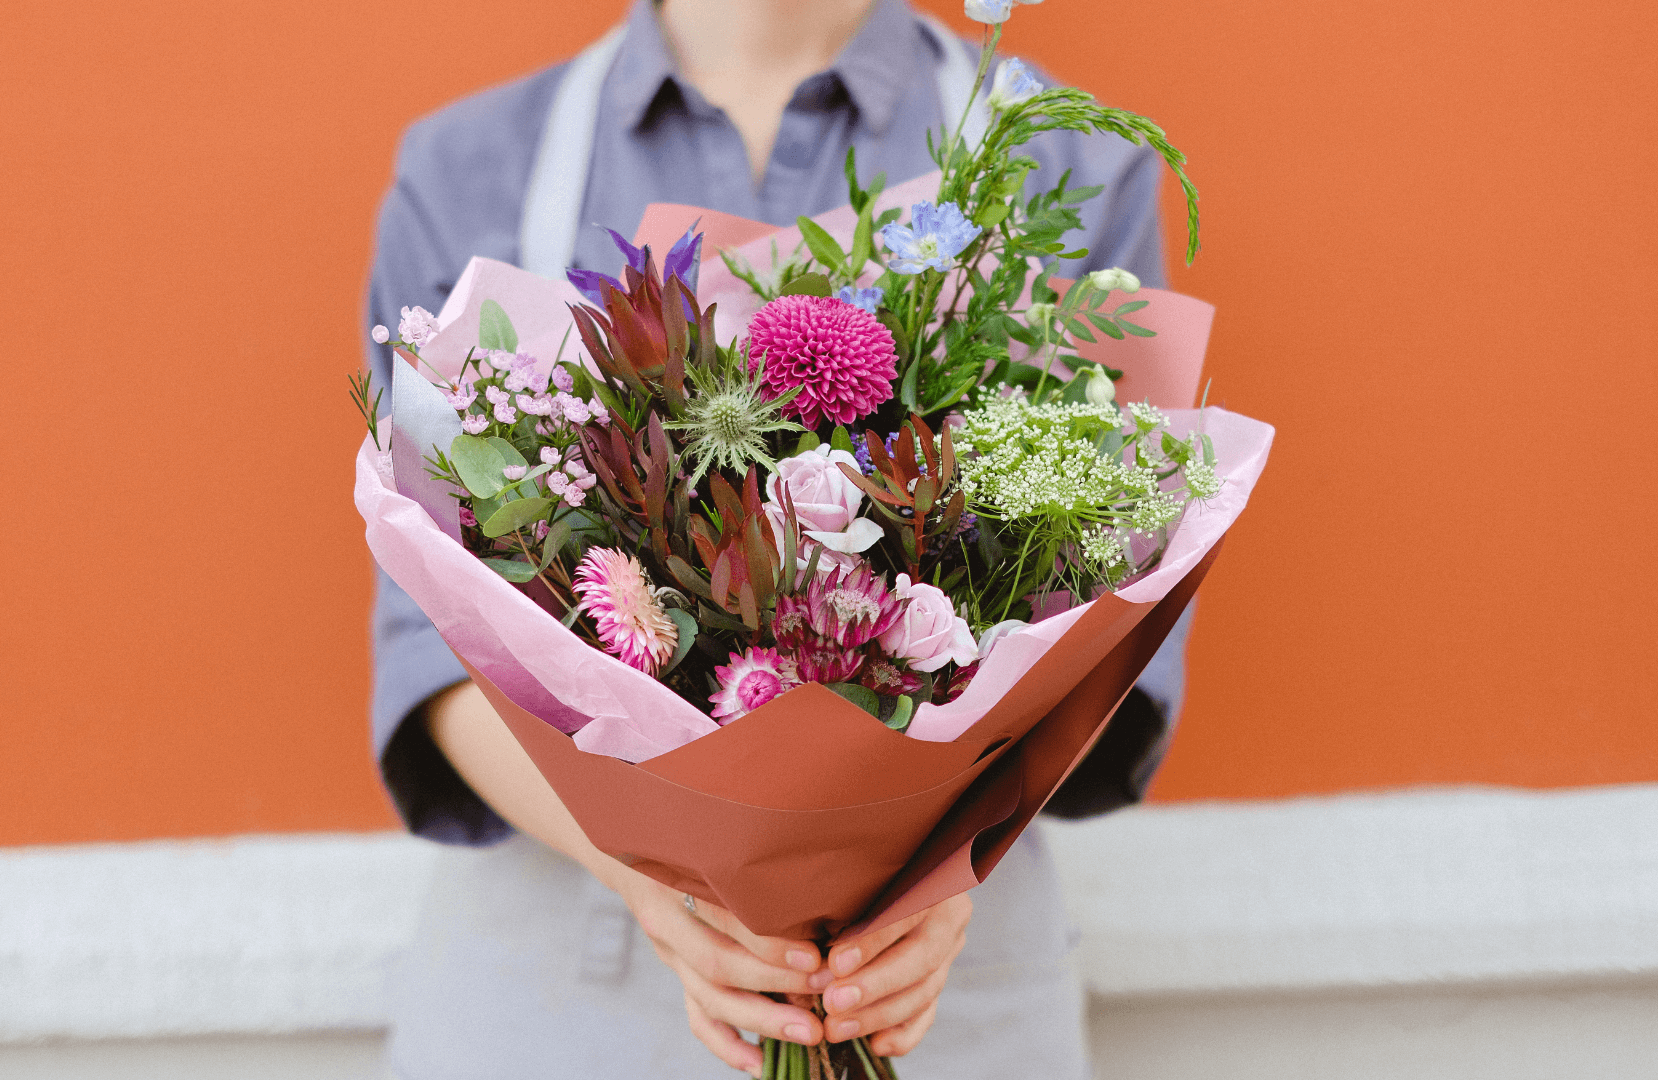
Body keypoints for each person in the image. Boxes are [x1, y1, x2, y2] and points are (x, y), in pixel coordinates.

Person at [363, 1, 1191, 1075]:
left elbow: (1115, 605)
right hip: (576, 971)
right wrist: (653, 878)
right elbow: (431, 642)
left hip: (935, 975)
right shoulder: (469, 168)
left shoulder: (1059, 153)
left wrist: (941, 877)